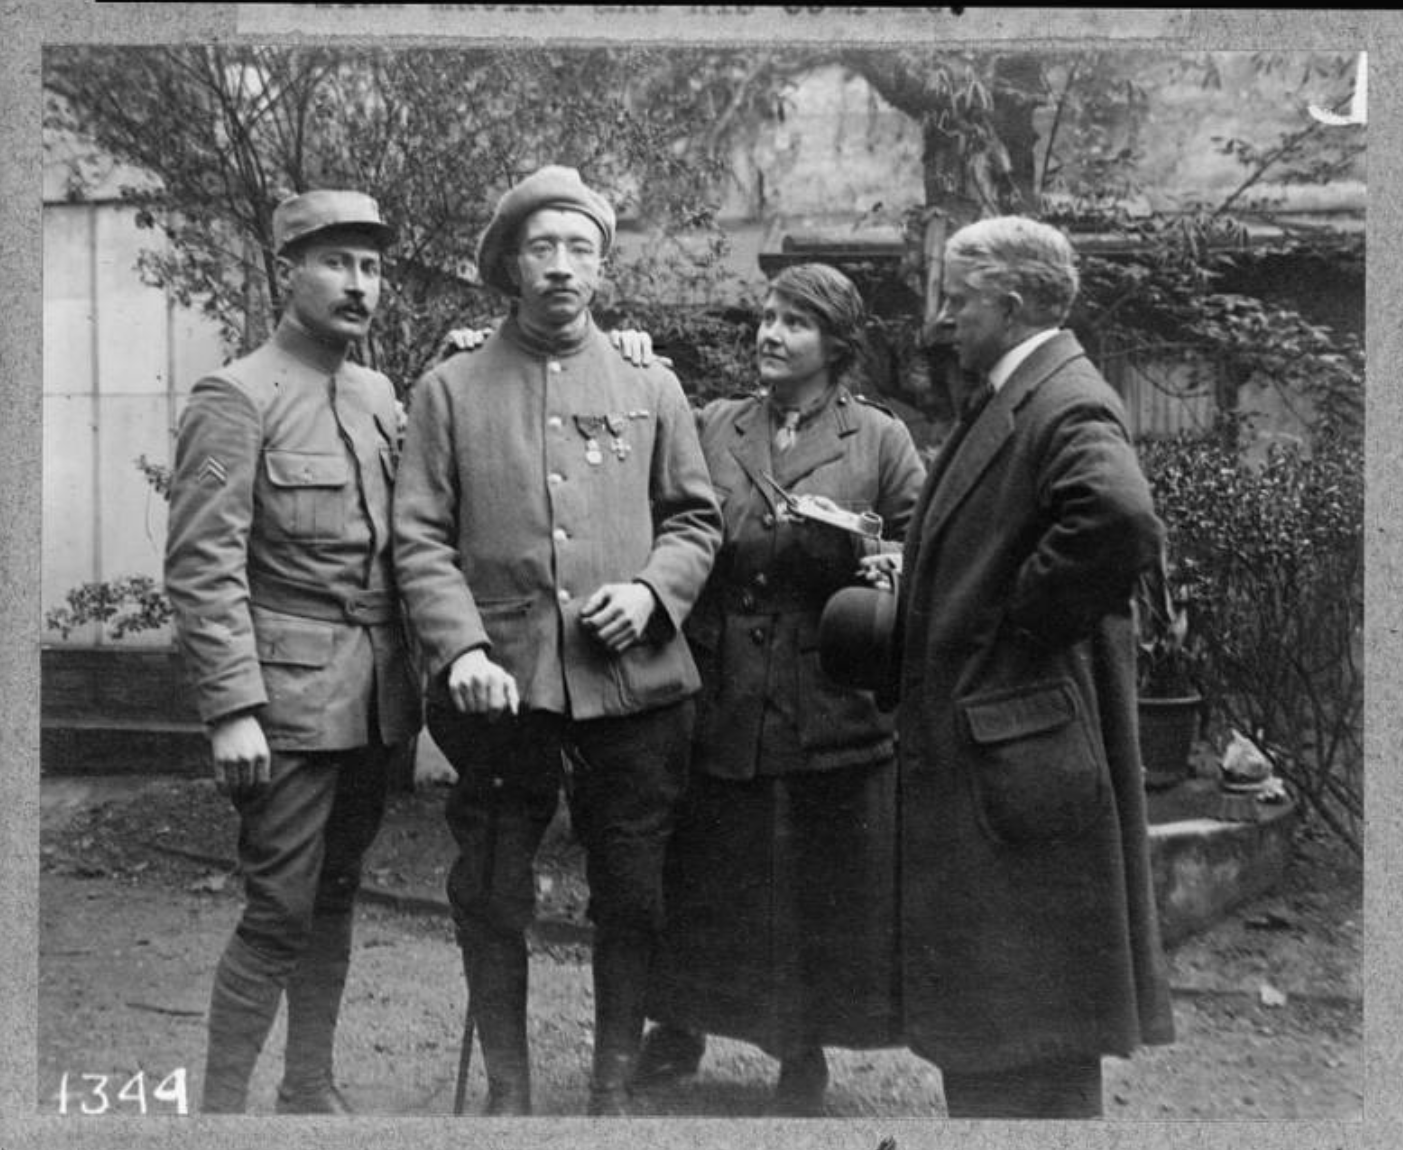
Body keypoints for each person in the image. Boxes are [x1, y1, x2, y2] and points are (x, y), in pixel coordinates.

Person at [392, 165, 722, 1117]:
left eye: (582, 248)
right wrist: (460, 651)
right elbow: (418, 537)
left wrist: (655, 595)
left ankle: (613, 1082)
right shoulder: (449, 388)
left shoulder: (651, 382)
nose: (563, 266)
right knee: (493, 892)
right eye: (543, 247)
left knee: (633, 891)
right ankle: (508, 1088)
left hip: (634, 683)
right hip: (503, 686)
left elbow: (695, 521)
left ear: (604, 268)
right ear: (509, 265)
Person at [885, 215, 1175, 1118]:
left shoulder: (1066, 398)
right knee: (1000, 1029)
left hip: (1021, 751)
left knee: (1029, 1039)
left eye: (959, 301)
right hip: (1004, 751)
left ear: (1009, 307)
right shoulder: (1023, 390)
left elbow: (1119, 519)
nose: (943, 319)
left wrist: (1014, 639)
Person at [637, 263, 926, 1116]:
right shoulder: (714, 423)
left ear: (835, 344)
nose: (769, 334)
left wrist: (893, 562)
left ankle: (802, 1047)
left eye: (793, 322)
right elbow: (669, 517)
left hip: (823, 697)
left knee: (808, 878)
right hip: (719, 688)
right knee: (703, 868)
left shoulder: (878, 440)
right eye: (765, 317)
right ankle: (677, 1022)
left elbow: (922, 540)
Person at [164, 190, 421, 1113]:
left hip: (374, 701)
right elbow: (203, 566)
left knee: (338, 897)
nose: (361, 285)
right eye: (337, 263)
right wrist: (231, 709)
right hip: (283, 706)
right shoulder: (236, 396)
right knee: (278, 911)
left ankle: (307, 1087)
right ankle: (221, 1110)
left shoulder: (378, 394)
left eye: (372, 266)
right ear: (288, 271)